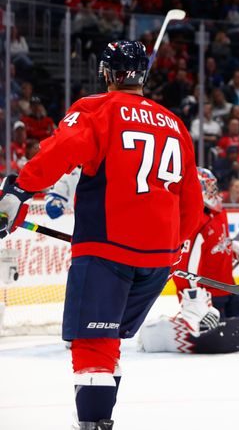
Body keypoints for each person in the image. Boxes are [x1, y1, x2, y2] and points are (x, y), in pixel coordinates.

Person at [0, 40, 203, 430]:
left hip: (108, 250)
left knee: (94, 344)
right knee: (109, 343)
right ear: (143, 74)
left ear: (107, 73)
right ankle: (99, 416)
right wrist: (172, 247)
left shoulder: (96, 109)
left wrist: (19, 189)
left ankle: (95, 424)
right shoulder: (175, 124)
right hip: (158, 259)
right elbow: (190, 205)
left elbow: (60, 152)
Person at [138, 168, 239, 353]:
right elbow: (184, 265)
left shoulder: (219, 212)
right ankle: (157, 333)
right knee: (219, 341)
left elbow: (217, 247)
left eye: (213, 186)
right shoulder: (192, 220)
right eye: (208, 186)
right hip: (208, 295)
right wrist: (192, 298)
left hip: (228, 287)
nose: (213, 191)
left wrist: (235, 250)